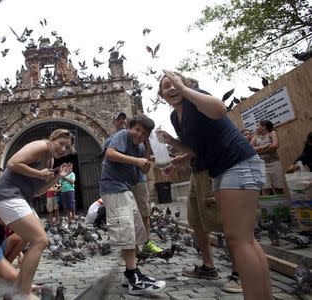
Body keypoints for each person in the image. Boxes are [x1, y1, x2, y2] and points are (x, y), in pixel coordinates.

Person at [158, 70, 272, 299]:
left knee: (238, 238)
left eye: (174, 84)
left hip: (238, 163)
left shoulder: (194, 98)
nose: (170, 89)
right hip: (222, 170)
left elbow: (220, 109)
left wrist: (185, 89)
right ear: (161, 95)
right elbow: (197, 149)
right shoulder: (175, 117)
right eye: (165, 87)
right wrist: (172, 144)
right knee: (244, 238)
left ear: (184, 83)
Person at [0, 128, 75, 299]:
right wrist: (39, 173)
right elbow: (12, 163)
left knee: (35, 239)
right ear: (52, 139)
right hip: (7, 194)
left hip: (18, 197)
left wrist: (58, 176)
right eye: (61, 144)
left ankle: (15, 291)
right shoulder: (41, 146)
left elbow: (37, 191)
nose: (63, 149)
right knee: (40, 240)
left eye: (68, 147)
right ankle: (24, 292)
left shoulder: (49, 161)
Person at [162, 141, 242, 293]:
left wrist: (170, 141)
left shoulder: (200, 116)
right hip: (196, 171)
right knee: (196, 220)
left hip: (212, 169)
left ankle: (238, 275)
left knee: (223, 221)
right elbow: (193, 148)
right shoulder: (182, 119)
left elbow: (205, 143)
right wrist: (178, 162)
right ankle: (208, 267)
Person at [100, 114, 166, 296]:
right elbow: (110, 154)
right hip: (113, 188)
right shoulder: (122, 134)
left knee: (135, 230)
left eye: (144, 133)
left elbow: (144, 169)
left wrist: (147, 149)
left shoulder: (139, 145)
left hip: (126, 188)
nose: (139, 135)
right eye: (137, 130)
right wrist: (136, 160)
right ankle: (133, 278)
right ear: (130, 127)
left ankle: (130, 273)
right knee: (126, 231)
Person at [250, 120, 285, 195]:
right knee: (265, 188)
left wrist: (259, 151)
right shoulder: (255, 136)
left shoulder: (272, 133)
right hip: (262, 166)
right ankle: (267, 207)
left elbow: (275, 145)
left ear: (264, 127)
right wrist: (265, 146)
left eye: (258, 125)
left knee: (278, 188)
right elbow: (249, 148)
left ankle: (282, 206)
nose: (256, 127)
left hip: (274, 163)